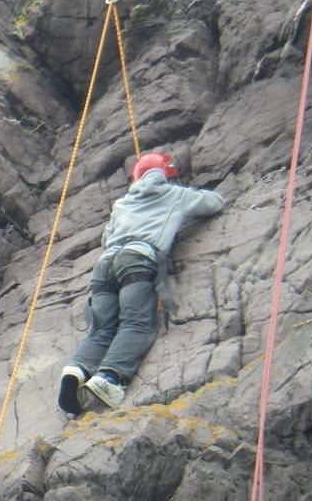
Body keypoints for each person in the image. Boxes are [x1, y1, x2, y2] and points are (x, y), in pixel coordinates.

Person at [58, 151, 225, 417]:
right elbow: (214, 203)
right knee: (135, 324)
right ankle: (109, 378)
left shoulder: (122, 203)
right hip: (138, 259)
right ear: (167, 175)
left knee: (101, 327)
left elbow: (105, 238)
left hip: (105, 265)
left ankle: (76, 370)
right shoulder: (175, 194)